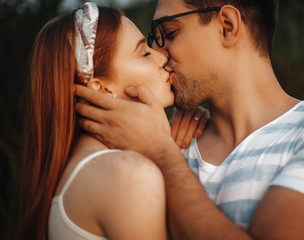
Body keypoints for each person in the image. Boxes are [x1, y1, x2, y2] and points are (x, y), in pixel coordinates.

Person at [74, 0, 304, 239]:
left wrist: (162, 154)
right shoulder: (158, 143)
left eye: (170, 33)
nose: (159, 55)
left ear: (228, 26)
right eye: (154, 40)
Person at [16, 2, 208, 240]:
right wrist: (165, 148)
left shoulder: (83, 169)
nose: (161, 57)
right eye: (145, 53)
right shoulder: (127, 175)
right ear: (101, 90)